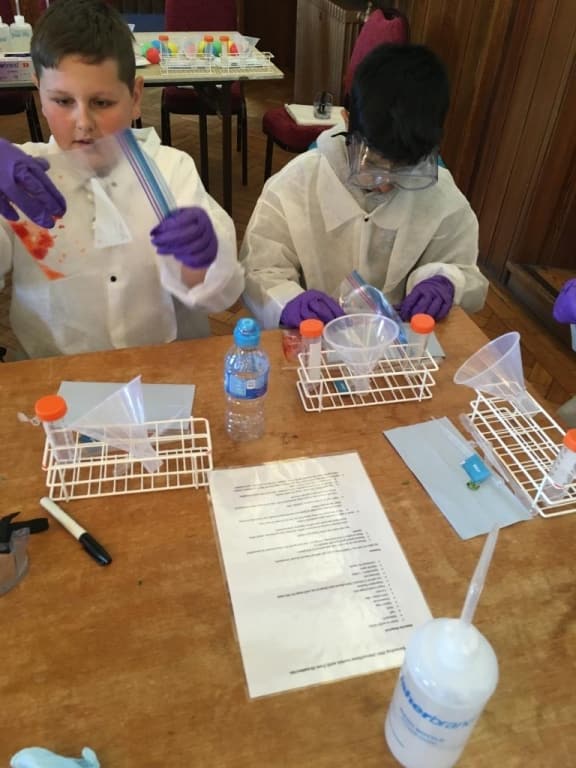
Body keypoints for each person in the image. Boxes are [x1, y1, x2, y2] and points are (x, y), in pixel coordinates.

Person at [0, 0, 243, 358]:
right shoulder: (20, 182)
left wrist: (200, 259)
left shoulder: (171, 171)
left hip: (164, 365)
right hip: (53, 374)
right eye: (62, 101)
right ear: (39, 93)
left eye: (101, 103)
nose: (83, 123)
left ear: (134, 97)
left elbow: (217, 294)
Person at [240, 44, 488, 329]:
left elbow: (466, 272)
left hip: (402, 345)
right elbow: (259, 269)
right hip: (315, 340)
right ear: (346, 119)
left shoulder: (441, 196)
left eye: (405, 170)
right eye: (374, 164)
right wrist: (288, 300)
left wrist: (446, 281)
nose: (385, 185)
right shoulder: (296, 184)